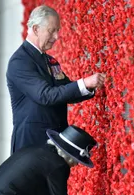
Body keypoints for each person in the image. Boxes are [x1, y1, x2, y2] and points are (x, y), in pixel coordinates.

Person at [6, 5, 106, 154]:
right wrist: (84, 83)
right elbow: (45, 95)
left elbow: (65, 90)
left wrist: (89, 87)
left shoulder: (49, 60)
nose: (56, 37)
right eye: (51, 31)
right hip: (31, 145)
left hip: (55, 141)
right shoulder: (19, 61)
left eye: (57, 30)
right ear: (35, 29)